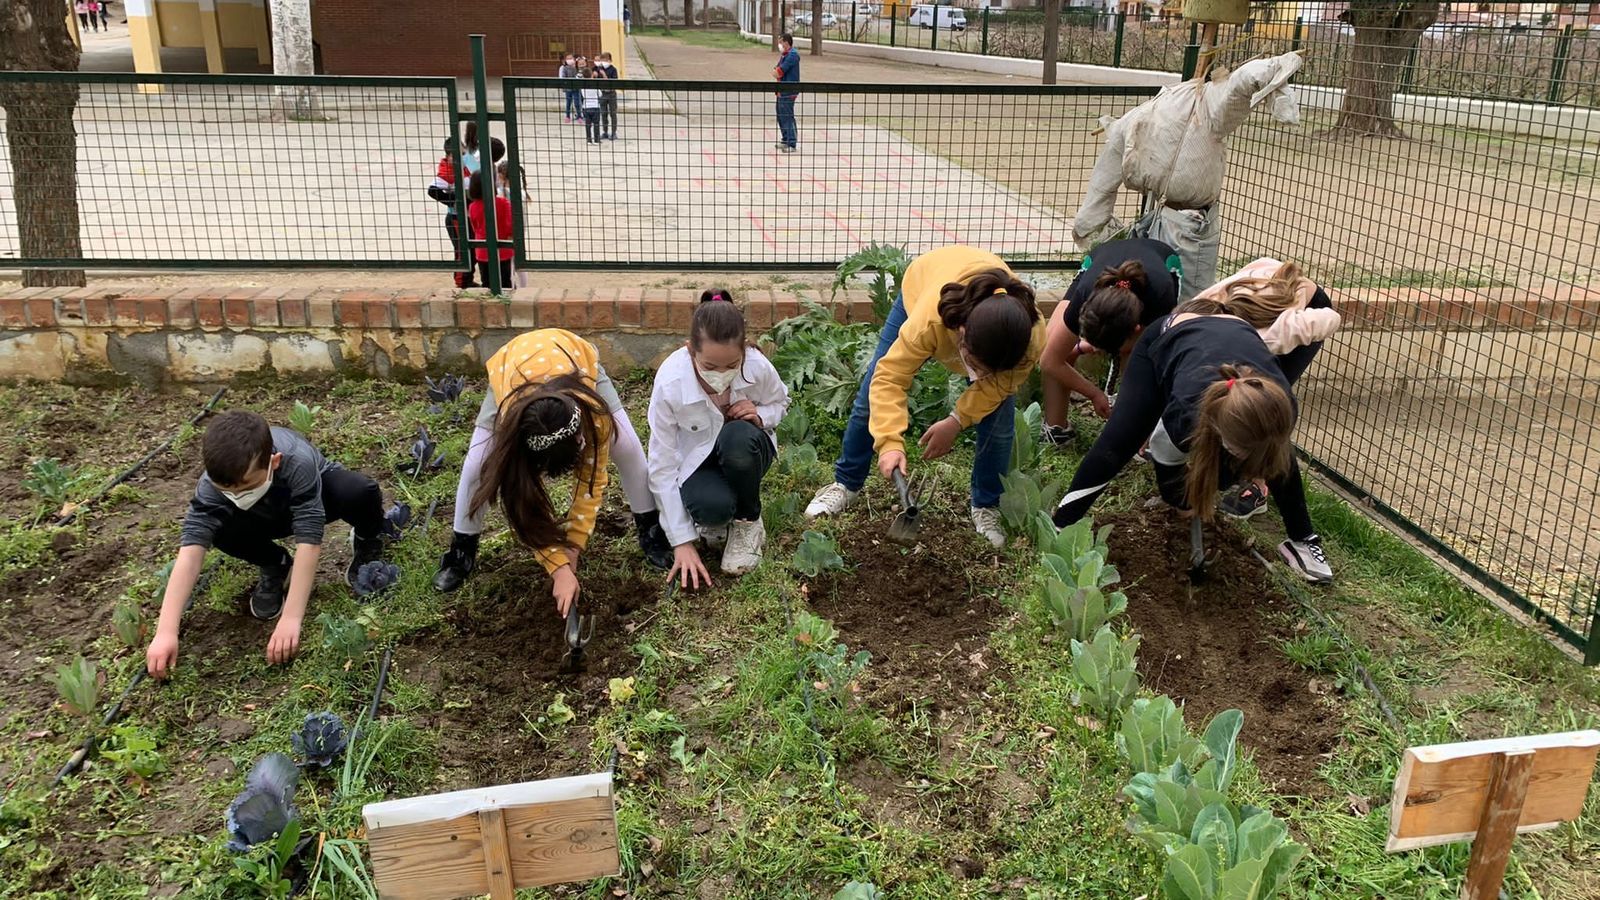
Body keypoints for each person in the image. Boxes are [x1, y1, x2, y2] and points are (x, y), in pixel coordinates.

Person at [1050, 307, 1334, 584]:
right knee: (1119, 441)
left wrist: (1218, 481)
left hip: (1233, 333)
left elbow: (1265, 453)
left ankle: (1302, 540)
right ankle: (1063, 521)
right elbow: (1164, 457)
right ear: (1218, 431)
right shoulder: (1188, 414)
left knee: (1277, 456)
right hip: (1169, 337)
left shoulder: (1281, 406)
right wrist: (1184, 498)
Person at [805, 246, 1044, 548]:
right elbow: (890, 378)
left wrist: (956, 421)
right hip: (924, 282)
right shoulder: (928, 321)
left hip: (989, 321)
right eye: (977, 367)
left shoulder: (1030, 337)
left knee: (999, 420)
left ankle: (986, 505)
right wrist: (890, 442)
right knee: (870, 393)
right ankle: (846, 483)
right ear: (961, 332)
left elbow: (998, 386)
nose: (979, 379)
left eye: (989, 372)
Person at [433, 329, 675, 611]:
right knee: (477, 464)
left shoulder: (594, 416)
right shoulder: (515, 433)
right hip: (512, 371)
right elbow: (525, 509)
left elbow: (591, 484)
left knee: (627, 446)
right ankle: (461, 551)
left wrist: (572, 547)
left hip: (575, 357)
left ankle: (651, 532)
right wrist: (557, 567)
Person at [145, 411, 391, 677]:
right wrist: (165, 632)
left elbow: (309, 540)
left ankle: (367, 538)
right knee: (217, 529)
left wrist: (291, 619)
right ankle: (276, 564)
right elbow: (190, 555)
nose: (236, 494)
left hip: (313, 498)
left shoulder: (297, 461)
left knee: (357, 490)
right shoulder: (212, 487)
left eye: (246, 485)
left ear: (274, 462)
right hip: (260, 515)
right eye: (227, 490)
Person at [648, 290, 791, 587]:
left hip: (746, 452)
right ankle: (720, 516)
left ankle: (749, 521)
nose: (722, 374)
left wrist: (761, 414)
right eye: (710, 367)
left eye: (732, 365)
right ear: (690, 350)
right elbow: (661, 465)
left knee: (737, 438)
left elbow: (781, 403)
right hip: (698, 462)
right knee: (710, 509)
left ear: (744, 351)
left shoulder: (757, 365)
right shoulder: (671, 382)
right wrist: (682, 541)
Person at [1181, 257, 1340, 519]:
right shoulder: (1192, 314)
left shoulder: (1276, 336)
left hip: (1300, 310)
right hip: (1260, 292)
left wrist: (1287, 332)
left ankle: (1258, 486)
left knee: (1263, 404)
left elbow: (1332, 318)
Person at [1040, 237, 1181, 445]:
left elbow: (1150, 363)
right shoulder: (1085, 295)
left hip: (1163, 262)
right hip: (1101, 264)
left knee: (1137, 360)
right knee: (1053, 342)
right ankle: (1056, 429)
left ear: (1136, 329)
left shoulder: (1160, 298)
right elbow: (1049, 361)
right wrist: (1095, 394)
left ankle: (1139, 436)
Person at [429, 137, 475, 289]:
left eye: (463, 155)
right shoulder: (446, 172)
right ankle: (462, 282)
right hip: (456, 218)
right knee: (462, 250)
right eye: (457, 155)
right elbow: (433, 191)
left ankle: (468, 279)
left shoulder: (463, 168)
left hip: (468, 216)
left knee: (472, 249)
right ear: (448, 156)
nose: (461, 158)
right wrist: (454, 201)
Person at [466, 172, 513, 289]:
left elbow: (474, 227)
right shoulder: (503, 203)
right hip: (503, 249)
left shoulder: (472, 206)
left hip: (482, 250)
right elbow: (510, 227)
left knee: (487, 284)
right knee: (506, 283)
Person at [773, 33, 800, 153]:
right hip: (781, 90)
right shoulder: (784, 55)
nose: (779, 44)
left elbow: (779, 71)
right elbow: (776, 69)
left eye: (780, 42)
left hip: (789, 90)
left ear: (786, 42)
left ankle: (791, 142)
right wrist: (776, 72)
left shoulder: (792, 55)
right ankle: (785, 139)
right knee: (780, 115)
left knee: (787, 116)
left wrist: (777, 72)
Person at [596, 51, 620, 141]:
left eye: (605, 59)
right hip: (602, 94)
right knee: (603, 113)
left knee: (613, 113)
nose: (604, 62)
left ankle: (614, 132)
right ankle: (605, 131)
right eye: (602, 59)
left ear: (610, 60)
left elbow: (614, 82)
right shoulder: (599, 69)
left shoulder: (613, 70)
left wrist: (604, 75)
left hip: (611, 94)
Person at [581, 68, 605, 145]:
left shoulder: (582, 85)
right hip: (595, 106)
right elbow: (600, 94)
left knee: (588, 124)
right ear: (591, 75)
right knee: (596, 124)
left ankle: (589, 140)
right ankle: (596, 140)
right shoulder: (595, 84)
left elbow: (582, 95)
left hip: (586, 106)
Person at [560, 53, 580, 124]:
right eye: (568, 59)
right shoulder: (565, 68)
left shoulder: (576, 67)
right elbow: (564, 77)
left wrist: (575, 67)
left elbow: (578, 75)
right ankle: (567, 116)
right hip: (568, 89)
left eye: (571, 58)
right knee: (568, 103)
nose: (569, 60)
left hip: (576, 89)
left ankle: (579, 116)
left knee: (577, 103)